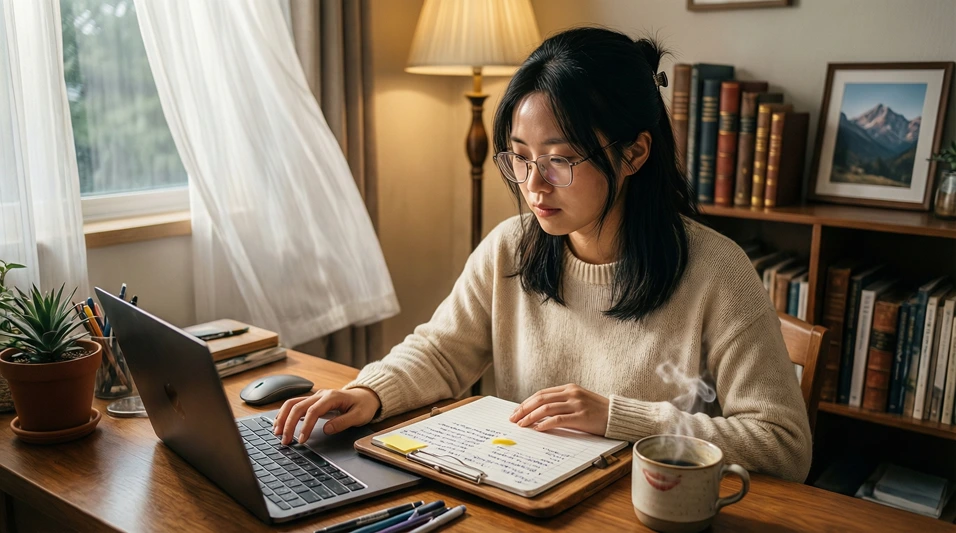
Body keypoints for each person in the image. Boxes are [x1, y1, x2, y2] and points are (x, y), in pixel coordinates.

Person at [274, 27, 812, 482]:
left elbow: (783, 445)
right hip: (526, 497)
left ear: (634, 153)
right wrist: (370, 393)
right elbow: (441, 353)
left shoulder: (718, 272)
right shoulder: (511, 246)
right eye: (521, 157)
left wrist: (617, 418)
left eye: (560, 159)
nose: (534, 184)